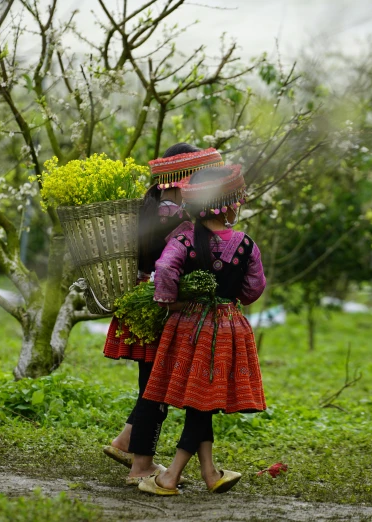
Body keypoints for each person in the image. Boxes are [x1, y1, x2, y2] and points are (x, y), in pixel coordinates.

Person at [134, 164, 267, 495]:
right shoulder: (245, 244)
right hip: (225, 329)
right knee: (202, 401)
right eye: (239, 199)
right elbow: (253, 289)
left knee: (200, 401)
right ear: (229, 203)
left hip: (187, 326)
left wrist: (169, 302)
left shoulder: (183, 237)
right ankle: (185, 476)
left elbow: (164, 267)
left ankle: (196, 475)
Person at [102, 145, 225, 484]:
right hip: (158, 307)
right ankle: (141, 467)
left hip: (141, 302)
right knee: (154, 391)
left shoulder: (148, 206)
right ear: (178, 180)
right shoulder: (175, 215)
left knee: (149, 386)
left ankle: (126, 443)